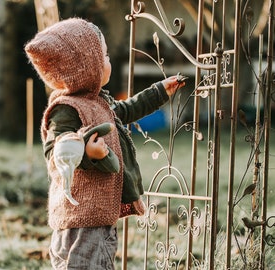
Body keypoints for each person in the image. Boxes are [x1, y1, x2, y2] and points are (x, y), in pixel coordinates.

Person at [25, 17, 185, 270]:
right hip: (81, 219)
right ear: (85, 66)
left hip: (97, 215)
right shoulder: (66, 109)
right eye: (105, 56)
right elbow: (56, 151)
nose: (109, 61)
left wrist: (158, 92)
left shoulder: (98, 102)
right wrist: (85, 152)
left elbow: (127, 109)